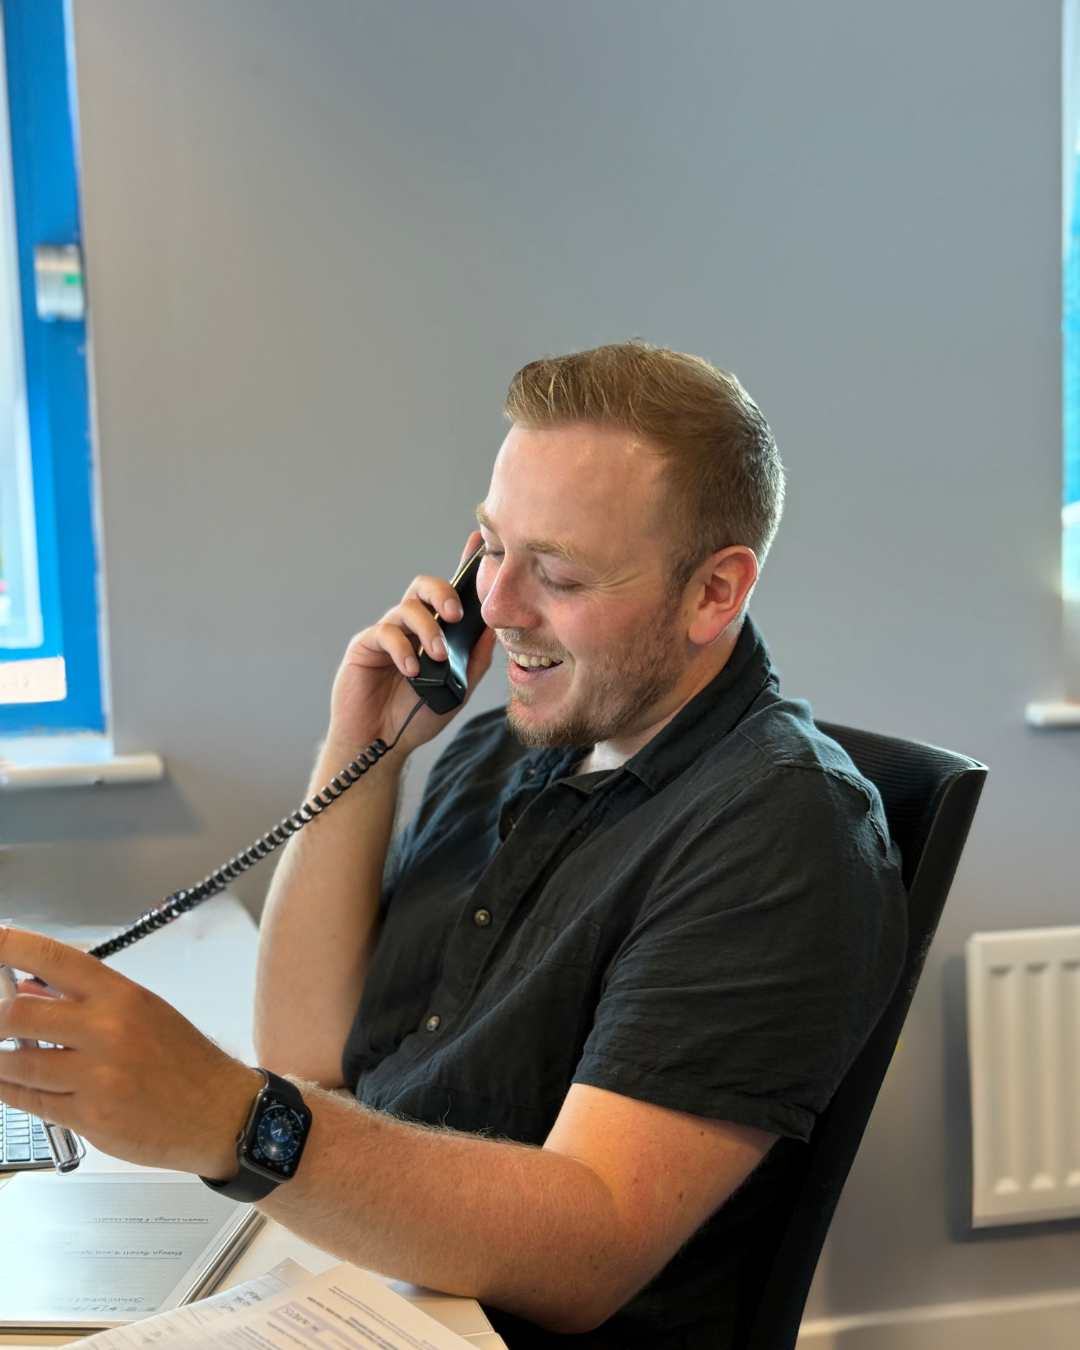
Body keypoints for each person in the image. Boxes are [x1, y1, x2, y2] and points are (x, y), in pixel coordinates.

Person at [0, 343, 906, 1349]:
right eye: (492, 547)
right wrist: (364, 750)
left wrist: (227, 1120)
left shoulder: (785, 830)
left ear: (714, 593)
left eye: (557, 573)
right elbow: (305, 1054)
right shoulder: (504, 743)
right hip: (370, 1281)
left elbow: (592, 1248)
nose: (499, 607)